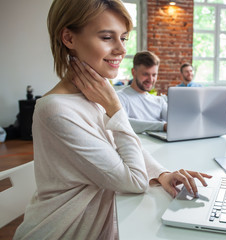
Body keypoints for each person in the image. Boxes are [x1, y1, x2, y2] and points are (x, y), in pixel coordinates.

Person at [14, 1, 211, 239]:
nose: (121, 49)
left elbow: (120, 148)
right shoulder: (55, 109)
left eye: (124, 38)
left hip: (104, 220)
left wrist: (162, 174)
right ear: (68, 38)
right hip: (67, 231)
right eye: (107, 37)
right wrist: (115, 107)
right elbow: (135, 180)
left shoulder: (97, 92)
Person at [117, 51, 168, 133]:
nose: (151, 80)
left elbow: (175, 121)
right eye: (145, 74)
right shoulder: (120, 97)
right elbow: (124, 123)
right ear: (134, 72)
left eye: (154, 75)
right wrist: (162, 126)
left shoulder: (160, 101)